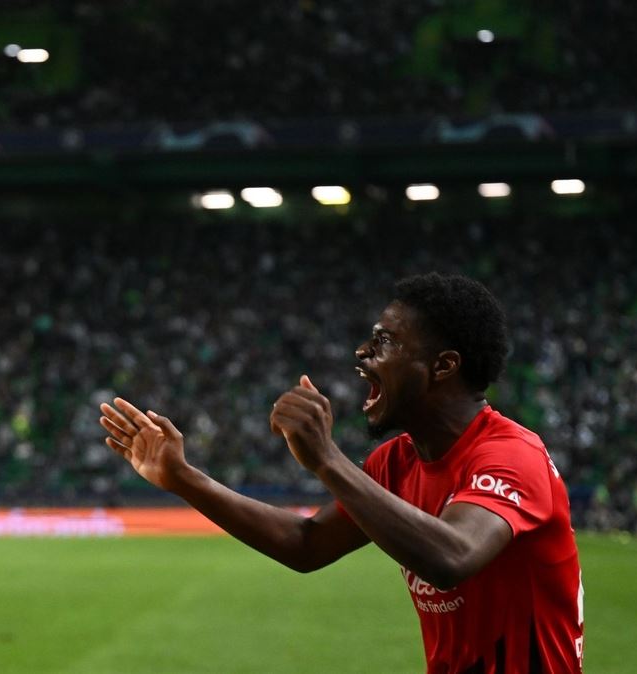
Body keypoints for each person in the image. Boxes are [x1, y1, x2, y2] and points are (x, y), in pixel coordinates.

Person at [100, 272, 584, 673]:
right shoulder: (397, 462)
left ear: (443, 366)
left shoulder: (511, 455)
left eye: (385, 342)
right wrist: (183, 478)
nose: (361, 352)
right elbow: (307, 544)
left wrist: (327, 460)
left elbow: (452, 557)